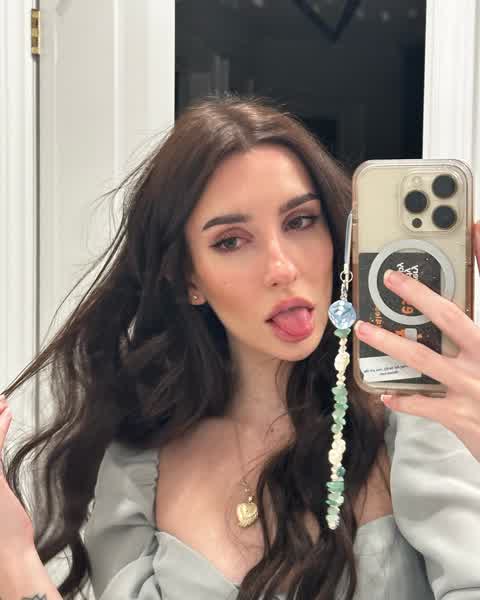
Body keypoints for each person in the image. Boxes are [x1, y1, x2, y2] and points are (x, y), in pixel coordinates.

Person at [0, 94, 479, 600]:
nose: (282, 268)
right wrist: (11, 552)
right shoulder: (139, 465)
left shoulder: (415, 422)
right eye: (230, 241)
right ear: (188, 277)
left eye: (300, 221)